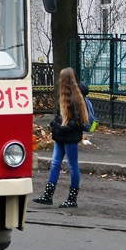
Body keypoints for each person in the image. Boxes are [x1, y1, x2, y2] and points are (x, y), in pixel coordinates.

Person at [32, 67, 90, 208]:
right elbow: (62, 118)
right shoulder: (67, 96)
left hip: (69, 137)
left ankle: (72, 199)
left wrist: (58, 126)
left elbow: (76, 122)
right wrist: (56, 124)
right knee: (55, 164)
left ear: (64, 80)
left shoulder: (75, 98)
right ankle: (48, 195)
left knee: (72, 166)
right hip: (62, 136)